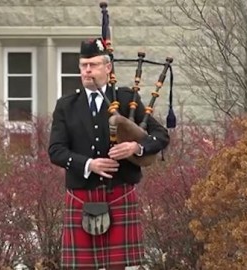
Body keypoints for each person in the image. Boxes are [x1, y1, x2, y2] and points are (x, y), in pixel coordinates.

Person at [48, 37, 170, 270]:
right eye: (83, 65)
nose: (87, 70)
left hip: (119, 194)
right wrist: (88, 164)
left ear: (107, 67)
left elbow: (161, 136)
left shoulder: (126, 100)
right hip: (81, 196)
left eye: (93, 65)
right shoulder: (66, 105)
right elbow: (56, 151)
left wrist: (136, 147)